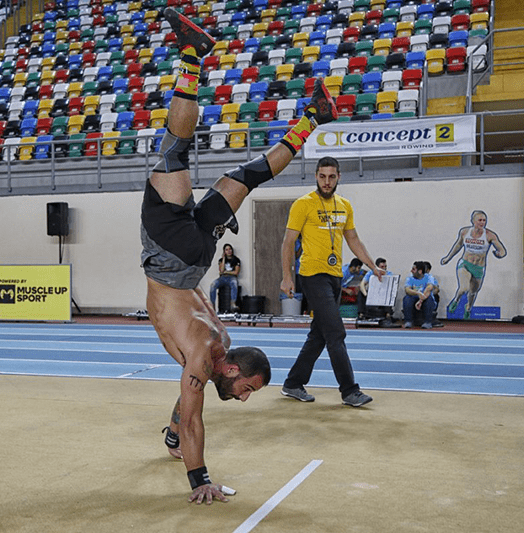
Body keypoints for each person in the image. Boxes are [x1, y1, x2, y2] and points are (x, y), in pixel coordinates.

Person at [142, 8, 340, 505]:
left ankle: (314, 116)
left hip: (193, 259)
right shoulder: (205, 353)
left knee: (249, 176)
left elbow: (189, 397)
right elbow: (194, 413)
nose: (247, 397)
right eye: (249, 388)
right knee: (174, 152)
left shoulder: (216, 344)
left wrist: (172, 432)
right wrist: (198, 478)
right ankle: (191, 52)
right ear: (229, 369)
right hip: (173, 254)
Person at [279, 156, 383, 407]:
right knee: (336, 332)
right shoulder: (303, 204)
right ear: (316, 176)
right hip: (313, 275)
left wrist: (372, 266)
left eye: (332, 177)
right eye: (322, 176)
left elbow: (354, 239)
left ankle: (293, 383)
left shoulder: (344, 205)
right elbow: (288, 243)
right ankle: (349, 390)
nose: (327, 181)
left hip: (335, 276)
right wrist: (286, 277)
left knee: (320, 335)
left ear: (338, 177)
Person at [440, 210, 507, 320]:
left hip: (479, 268)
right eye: (479, 220)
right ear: (473, 221)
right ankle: (456, 300)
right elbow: (458, 245)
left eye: (484, 220)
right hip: (465, 264)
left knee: (473, 292)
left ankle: (468, 308)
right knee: (463, 288)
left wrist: (500, 254)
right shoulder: (465, 232)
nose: (482, 223)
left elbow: (502, 250)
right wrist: (448, 258)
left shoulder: (490, 235)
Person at [357, 257, 395, 327]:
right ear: (377, 267)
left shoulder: (389, 274)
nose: (384, 268)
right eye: (382, 267)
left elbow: (392, 287)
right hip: (372, 294)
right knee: (360, 293)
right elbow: (362, 284)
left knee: (389, 294)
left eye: (385, 266)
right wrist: (366, 295)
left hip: (383, 294)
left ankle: (388, 316)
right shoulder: (370, 273)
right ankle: (361, 315)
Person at [403, 261, 436, 329]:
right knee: (407, 298)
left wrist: (420, 300)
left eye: (413, 269)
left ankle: (427, 322)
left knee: (429, 299)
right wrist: (418, 293)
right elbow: (407, 290)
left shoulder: (429, 277)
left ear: (420, 271)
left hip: (425, 297)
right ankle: (408, 321)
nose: (411, 271)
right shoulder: (410, 278)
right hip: (414, 298)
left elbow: (429, 289)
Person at [209, 243, 240, 312]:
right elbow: (221, 270)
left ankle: (233, 303)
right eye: (226, 250)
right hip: (222, 278)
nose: (229, 251)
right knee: (213, 285)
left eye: (230, 249)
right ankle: (212, 305)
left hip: (231, 278)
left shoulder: (236, 260)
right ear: (224, 252)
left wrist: (226, 272)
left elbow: (236, 272)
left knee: (234, 283)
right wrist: (223, 259)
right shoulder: (221, 260)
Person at [423, 261, 443, 327]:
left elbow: (436, 289)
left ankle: (431, 315)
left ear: (428, 270)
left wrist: (429, 293)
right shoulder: (415, 277)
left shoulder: (431, 278)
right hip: (417, 296)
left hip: (427, 296)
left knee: (436, 296)